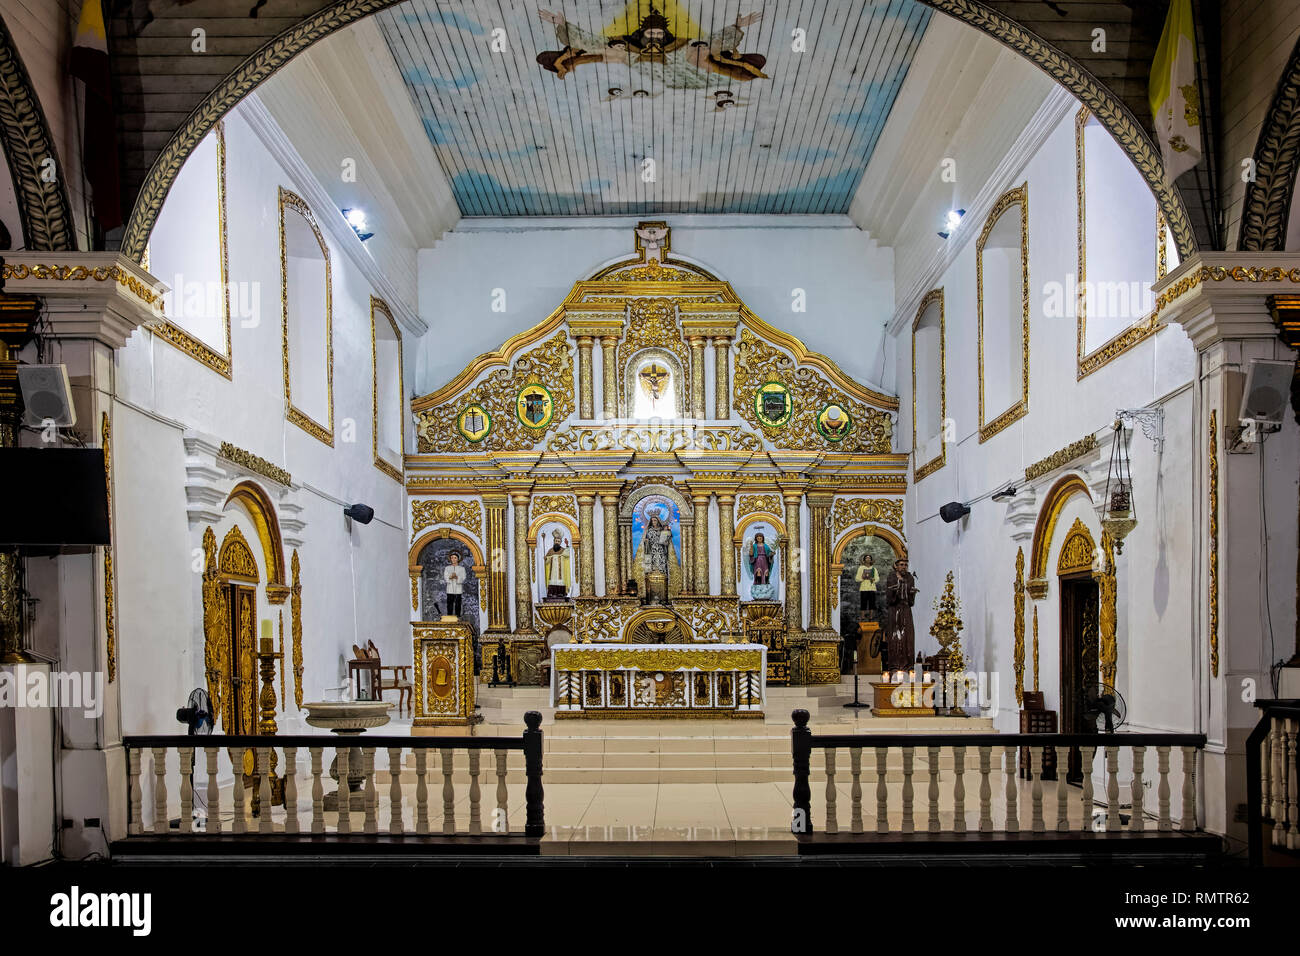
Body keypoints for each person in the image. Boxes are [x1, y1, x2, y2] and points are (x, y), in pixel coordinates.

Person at [884, 556, 918, 673]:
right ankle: (895, 665)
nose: (904, 567)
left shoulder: (910, 577)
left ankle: (908, 665)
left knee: (907, 636)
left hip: (906, 609)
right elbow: (889, 597)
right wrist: (896, 589)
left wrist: (912, 594)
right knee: (895, 636)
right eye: (901, 565)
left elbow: (911, 600)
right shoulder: (891, 576)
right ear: (896, 566)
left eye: (905, 565)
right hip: (895, 610)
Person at [443, 551, 465, 618]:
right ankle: (449, 616)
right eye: (452, 558)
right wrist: (450, 577)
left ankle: (457, 617)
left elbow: (463, 577)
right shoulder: (447, 568)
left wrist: (457, 577)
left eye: (455, 558)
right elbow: (445, 576)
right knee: (449, 603)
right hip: (450, 588)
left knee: (458, 603)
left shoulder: (462, 568)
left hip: (458, 588)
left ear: (458, 559)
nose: (453, 559)